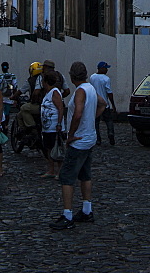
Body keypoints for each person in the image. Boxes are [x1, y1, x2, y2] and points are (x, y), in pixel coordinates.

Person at [50, 61, 106, 230]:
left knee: (66, 177)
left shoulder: (80, 91)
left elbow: (77, 114)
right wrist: (92, 120)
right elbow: (102, 104)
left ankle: (67, 215)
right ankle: (87, 210)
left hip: (79, 141)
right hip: (90, 138)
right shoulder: (90, 88)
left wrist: (71, 134)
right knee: (85, 175)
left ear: (72, 76)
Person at [40, 69, 64, 179]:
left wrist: (59, 123)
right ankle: (51, 169)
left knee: (56, 148)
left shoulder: (54, 92)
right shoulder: (48, 93)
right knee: (49, 148)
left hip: (54, 126)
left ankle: (60, 171)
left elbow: (60, 108)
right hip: (47, 127)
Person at [89, 62, 116, 146]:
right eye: (106, 68)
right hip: (104, 104)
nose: (107, 70)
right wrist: (113, 105)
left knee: (96, 122)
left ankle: (98, 139)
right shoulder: (106, 79)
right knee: (108, 120)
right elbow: (109, 92)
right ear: (101, 68)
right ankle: (110, 133)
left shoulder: (92, 77)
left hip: (95, 103)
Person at [18, 62, 44, 129]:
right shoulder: (45, 78)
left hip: (37, 104)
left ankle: (31, 127)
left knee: (23, 109)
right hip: (45, 104)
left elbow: (21, 91)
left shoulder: (30, 81)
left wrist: (13, 97)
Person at [0, 61, 17, 128]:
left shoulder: (0, 76)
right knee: (7, 113)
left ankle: (1, 125)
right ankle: (6, 125)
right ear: (8, 67)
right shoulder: (12, 76)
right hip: (9, 97)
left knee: (1, 112)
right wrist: (15, 98)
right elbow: (14, 87)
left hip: (1, 98)